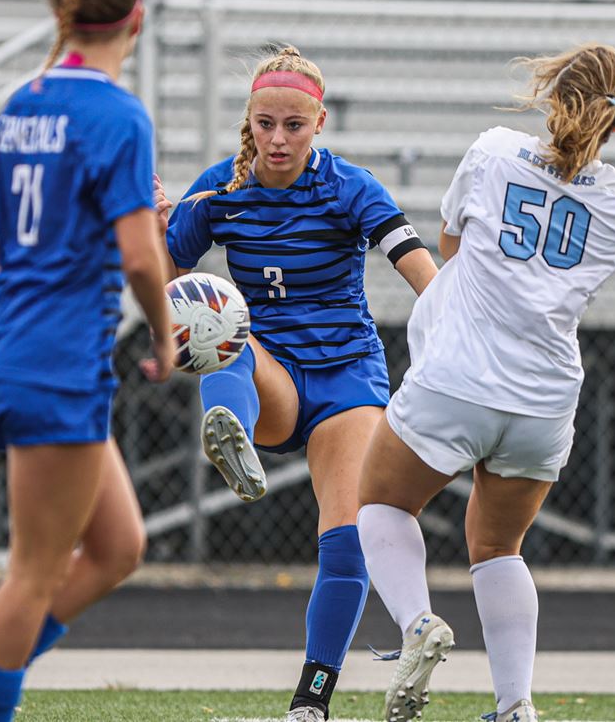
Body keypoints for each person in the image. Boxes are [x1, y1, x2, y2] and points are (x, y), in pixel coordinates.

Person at [355, 43, 615, 722]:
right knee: (497, 548)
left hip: (457, 376)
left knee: (380, 504)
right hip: (544, 398)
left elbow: (452, 246)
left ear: (555, 99)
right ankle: (516, 706)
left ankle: (416, 625)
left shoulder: (493, 150)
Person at [0, 0, 172, 722]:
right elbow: (139, 254)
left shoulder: (24, 103)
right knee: (33, 570)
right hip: (60, 358)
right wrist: (166, 334)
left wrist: (8, 313)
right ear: (136, 19)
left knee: (117, 547)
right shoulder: (118, 115)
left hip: (23, 350)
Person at [152, 45, 439, 722]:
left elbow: (418, 268)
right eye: (264, 124)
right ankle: (232, 430)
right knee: (214, 316)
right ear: (247, 121)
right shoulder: (218, 190)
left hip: (347, 377)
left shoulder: (352, 188)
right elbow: (154, 283)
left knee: (348, 539)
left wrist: (459, 327)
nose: (277, 139)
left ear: (321, 123)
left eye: (293, 126)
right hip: (270, 371)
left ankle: (311, 702)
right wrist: (148, 229)